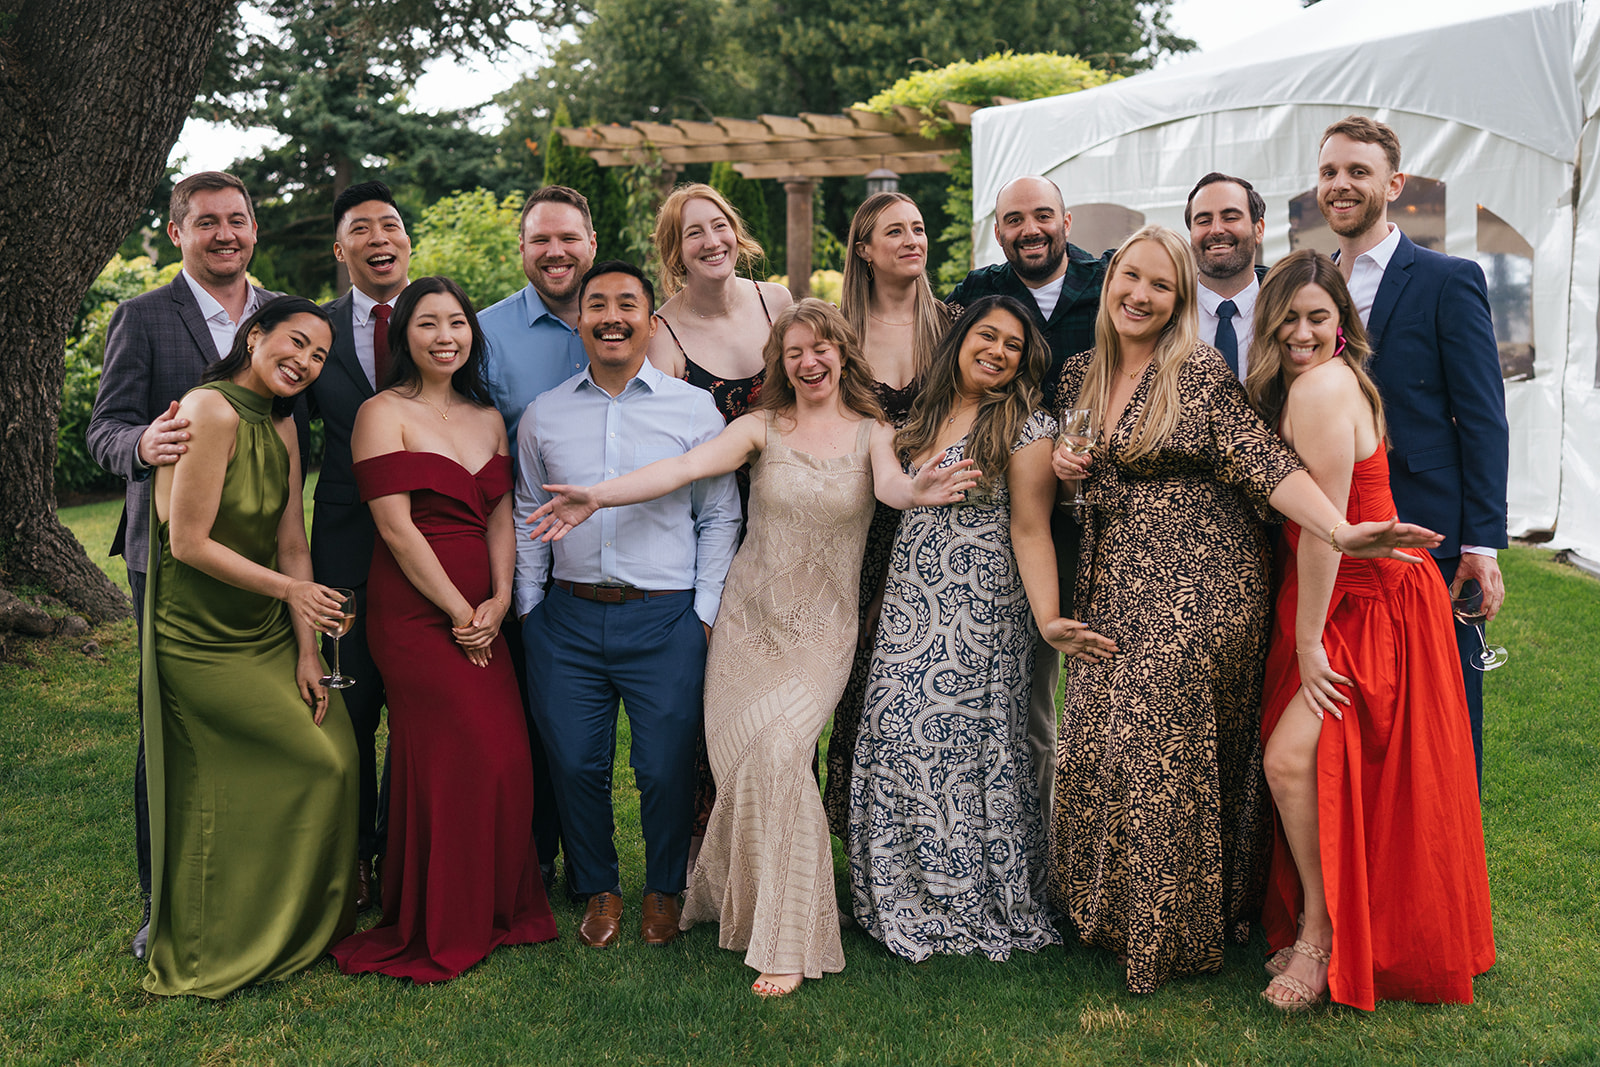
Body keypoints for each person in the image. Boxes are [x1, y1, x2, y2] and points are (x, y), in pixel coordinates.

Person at [529, 299, 979, 996]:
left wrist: (919, 489)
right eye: (795, 350)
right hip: (748, 625)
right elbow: (679, 472)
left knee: (779, 752)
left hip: (820, 634)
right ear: (781, 363)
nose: (810, 361)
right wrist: (598, 495)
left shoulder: (872, 435)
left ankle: (790, 935)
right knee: (746, 760)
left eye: (821, 348)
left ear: (842, 355)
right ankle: (734, 899)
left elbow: (893, 489)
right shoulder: (760, 428)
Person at [1046, 225, 1445, 995]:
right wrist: (1068, 472)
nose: (1141, 295)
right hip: (1118, 575)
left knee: (1154, 732)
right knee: (1094, 734)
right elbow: (1080, 489)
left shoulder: (1192, 371)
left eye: (1161, 286)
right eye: (1132, 277)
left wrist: (1336, 526)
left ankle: (1175, 929)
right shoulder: (1076, 379)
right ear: (1110, 278)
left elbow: (1268, 465)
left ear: (1179, 300)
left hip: (1203, 576)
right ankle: (1109, 912)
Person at [1243, 250, 1495, 1011]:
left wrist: (1311, 641)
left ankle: (1320, 937)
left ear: (1343, 324)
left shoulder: (1321, 388)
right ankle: (1337, 925)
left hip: (1365, 600)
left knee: (1290, 761)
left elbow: (1328, 531)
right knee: (1337, 768)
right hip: (1356, 594)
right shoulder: (1312, 382)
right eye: (1287, 316)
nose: (1301, 332)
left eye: (1318, 316)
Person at [848, 295, 1116, 964]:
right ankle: (898, 891)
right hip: (912, 601)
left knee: (964, 754)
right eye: (987, 336)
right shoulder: (925, 414)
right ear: (960, 338)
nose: (997, 350)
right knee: (893, 737)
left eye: (1013, 345)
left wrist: (1050, 618)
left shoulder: (1028, 425)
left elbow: (1029, 529)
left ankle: (965, 894)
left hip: (979, 610)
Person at [331, 276, 558, 982]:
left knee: (504, 756)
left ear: (471, 332)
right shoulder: (381, 412)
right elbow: (396, 529)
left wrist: (496, 597)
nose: (444, 336)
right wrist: (459, 612)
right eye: (427, 324)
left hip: (481, 607)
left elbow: (499, 516)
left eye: (456, 322)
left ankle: (496, 904)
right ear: (406, 338)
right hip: (413, 612)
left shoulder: (488, 416)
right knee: (453, 749)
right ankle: (438, 914)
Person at [514, 261, 741, 949]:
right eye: (598, 305)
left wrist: (701, 613)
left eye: (627, 304)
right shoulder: (544, 413)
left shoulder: (693, 410)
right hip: (567, 619)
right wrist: (531, 610)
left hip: (665, 615)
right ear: (579, 319)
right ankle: (599, 886)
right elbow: (528, 510)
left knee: (664, 765)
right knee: (576, 762)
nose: (612, 316)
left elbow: (720, 516)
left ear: (650, 319)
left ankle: (665, 889)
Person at [141, 296, 357, 998]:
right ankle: (225, 932)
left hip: (265, 629)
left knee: (338, 751)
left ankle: (299, 922)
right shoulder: (210, 409)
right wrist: (292, 595)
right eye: (295, 342)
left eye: (319, 355)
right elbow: (187, 542)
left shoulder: (283, 426)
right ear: (255, 334)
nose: (305, 361)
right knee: (308, 759)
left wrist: (305, 652)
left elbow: (292, 542)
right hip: (197, 636)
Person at [87, 170, 275, 959]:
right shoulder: (143, 316)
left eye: (236, 219)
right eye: (207, 222)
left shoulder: (279, 317)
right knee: (166, 723)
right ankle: (159, 897)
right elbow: (105, 429)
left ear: (254, 229)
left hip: (260, 553)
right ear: (176, 233)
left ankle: (254, 881)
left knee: (254, 716)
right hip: (166, 558)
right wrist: (142, 445)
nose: (224, 233)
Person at [1315, 115, 1509, 786]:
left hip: (1429, 534)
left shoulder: (1446, 278)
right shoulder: (1313, 286)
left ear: (1393, 184)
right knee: (1355, 713)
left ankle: (1446, 871)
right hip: (1334, 528)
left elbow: (1483, 417)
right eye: (1330, 172)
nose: (1341, 185)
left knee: (1443, 720)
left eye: (1358, 172)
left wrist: (1480, 545)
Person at [947, 175, 1111, 828]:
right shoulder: (979, 293)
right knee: (1027, 683)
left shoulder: (1106, 285)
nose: (1030, 229)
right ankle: (1034, 838)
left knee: (1106, 681)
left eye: (1042, 216)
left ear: (1067, 221)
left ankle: (1101, 837)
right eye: (1015, 219)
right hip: (1014, 515)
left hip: (1106, 509)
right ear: (999, 230)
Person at [647, 182, 794, 868]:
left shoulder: (780, 303)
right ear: (675, 252)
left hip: (793, 520)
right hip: (718, 534)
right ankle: (713, 856)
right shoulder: (663, 332)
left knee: (789, 691)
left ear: (737, 231)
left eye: (718, 226)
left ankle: (784, 844)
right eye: (692, 233)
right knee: (719, 695)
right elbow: (666, 446)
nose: (711, 241)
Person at [478, 184, 599, 895]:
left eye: (568, 238)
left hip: (625, 557)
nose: (555, 252)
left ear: (591, 240)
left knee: (578, 730)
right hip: (525, 550)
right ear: (522, 250)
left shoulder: (629, 319)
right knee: (532, 710)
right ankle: (532, 854)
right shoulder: (488, 334)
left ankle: (587, 864)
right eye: (540, 240)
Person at [822, 191, 952, 840]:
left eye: (919, 228)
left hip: (938, 529)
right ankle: (861, 841)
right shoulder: (836, 337)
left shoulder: (954, 326)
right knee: (856, 683)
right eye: (894, 231)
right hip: (855, 528)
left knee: (922, 688)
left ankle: (925, 837)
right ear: (863, 250)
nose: (912, 239)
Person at [310, 179, 412, 910]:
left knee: (422, 703)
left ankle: (414, 853)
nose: (380, 238)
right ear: (340, 248)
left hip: (433, 542)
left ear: (408, 240)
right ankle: (358, 858)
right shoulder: (315, 330)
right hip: (344, 546)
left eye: (392, 224)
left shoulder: (446, 319)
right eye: (363, 229)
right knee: (352, 704)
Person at [1185, 172, 1268, 379]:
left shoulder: (1287, 309)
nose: (1216, 230)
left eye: (1230, 218)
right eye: (1203, 221)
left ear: (1259, 229)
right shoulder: (1167, 316)